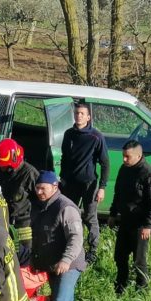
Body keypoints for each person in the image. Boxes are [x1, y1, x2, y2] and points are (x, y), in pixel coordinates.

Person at [30, 171, 86, 301]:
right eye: (37, 187)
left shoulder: (65, 207)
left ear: (55, 187)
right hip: (53, 264)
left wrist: (66, 260)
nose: (38, 191)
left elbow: (76, 237)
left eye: (42, 188)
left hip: (68, 264)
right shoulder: (40, 206)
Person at [108, 140, 151, 294]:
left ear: (139, 155)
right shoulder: (124, 169)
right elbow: (118, 193)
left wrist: (148, 225)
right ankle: (120, 286)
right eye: (123, 156)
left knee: (139, 261)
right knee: (119, 256)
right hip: (125, 221)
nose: (124, 160)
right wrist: (113, 214)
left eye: (128, 157)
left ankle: (142, 290)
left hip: (141, 225)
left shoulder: (150, 174)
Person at [59, 101, 109, 264]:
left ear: (88, 117)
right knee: (68, 215)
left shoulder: (96, 136)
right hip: (70, 183)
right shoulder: (68, 134)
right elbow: (64, 158)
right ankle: (68, 246)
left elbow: (105, 163)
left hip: (89, 184)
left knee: (90, 217)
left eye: (82, 114)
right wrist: (62, 179)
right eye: (76, 113)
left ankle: (92, 250)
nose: (78, 116)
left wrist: (102, 187)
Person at [0, 138, 39, 252]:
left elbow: (41, 201)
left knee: (24, 258)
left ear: (12, 163)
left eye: (2, 166)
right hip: (2, 222)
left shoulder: (29, 174)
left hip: (23, 226)